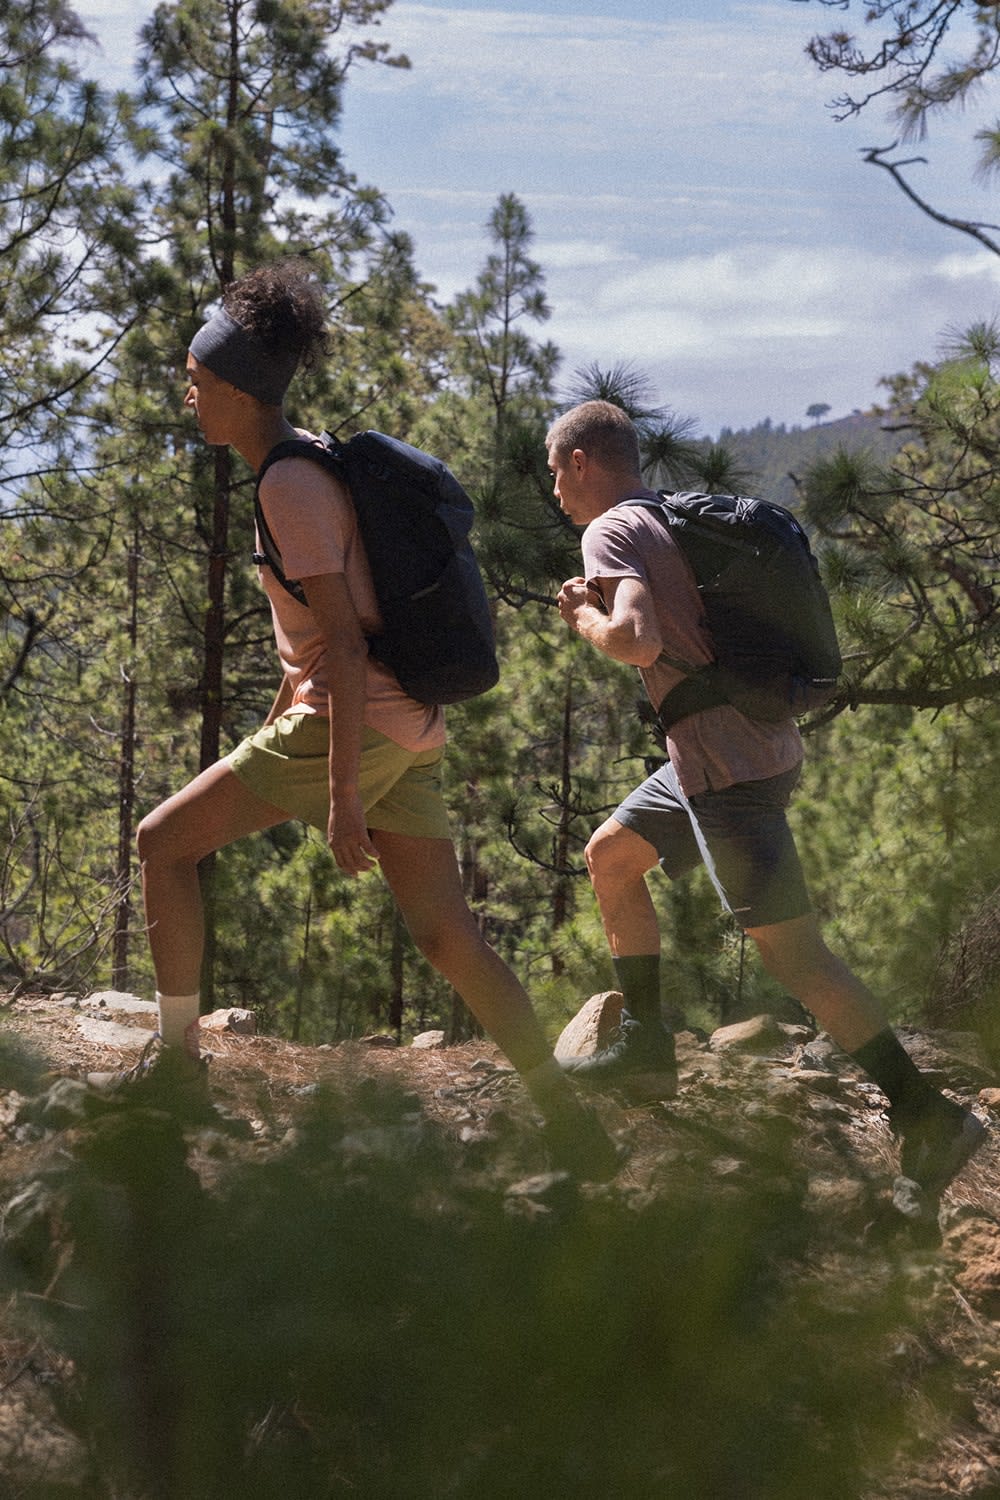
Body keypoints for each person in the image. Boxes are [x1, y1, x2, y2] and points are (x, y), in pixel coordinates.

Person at [132, 262, 618, 1180]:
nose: (187, 394)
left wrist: (339, 795)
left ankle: (177, 1063)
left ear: (237, 391)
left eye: (196, 382)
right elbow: (325, 631)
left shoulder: (287, 484)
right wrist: (292, 712)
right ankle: (566, 1118)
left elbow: (346, 648)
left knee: (162, 845)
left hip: (354, 723)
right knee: (447, 934)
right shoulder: (306, 458)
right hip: (409, 726)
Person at [547, 398, 985, 1200]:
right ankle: (646, 1044)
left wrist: (584, 616)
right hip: (742, 750)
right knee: (611, 857)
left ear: (582, 462)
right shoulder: (668, 520)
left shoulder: (609, 529)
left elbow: (635, 639)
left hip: (726, 772)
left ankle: (926, 1113)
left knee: (797, 958)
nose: (554, 493)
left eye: (554, 474)